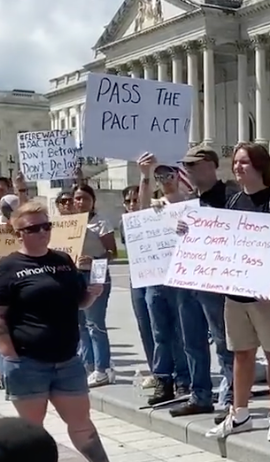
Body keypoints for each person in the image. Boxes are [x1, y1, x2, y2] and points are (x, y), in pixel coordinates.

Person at [0, 201, 139, 462]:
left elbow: (77, 302)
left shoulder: (62, 260)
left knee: (81, 422)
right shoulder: (6, 268)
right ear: (17, 232)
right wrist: (9, 356)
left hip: (67, 359)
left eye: (46, 226)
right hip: (27, 361)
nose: (43, 232)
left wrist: (91, 295)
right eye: (34, 228)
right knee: (32, 428)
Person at [199, 142, 270, 442]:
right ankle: (239, 413)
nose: (238, 167)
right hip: (236, 294)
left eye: (244, 162)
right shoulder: (231, 203)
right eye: (235, 163)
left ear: (260, 166)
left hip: (269, 295)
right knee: (241, 354)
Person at [135, 153, 211, 414]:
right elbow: (139, 215)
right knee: (159, 331)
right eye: (160, 176)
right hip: (157, 275)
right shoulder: (155, 205)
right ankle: (163, 378)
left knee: (185, 332)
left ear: (179, 177)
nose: (165, 180)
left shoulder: (191, 204)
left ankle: (184, 379)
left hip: (182, 276)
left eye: (169, 175)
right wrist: (145, 175)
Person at [179, 145, 237, 417]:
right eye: (187, 165)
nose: (189, 170)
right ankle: (200, 394)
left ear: (212, 165)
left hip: (217, 283)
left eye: (195, 164)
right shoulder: (188, 201)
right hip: (190, 279)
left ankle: (230, 397)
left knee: (223, 341)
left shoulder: (230, 196)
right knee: (192, 341)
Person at [72, 184, 117, 388]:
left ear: (93, 201)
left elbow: (112, 253)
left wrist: (94, 259)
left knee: (95, 324)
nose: (80, 202)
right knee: (80, 323)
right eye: (77, 198)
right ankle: (87, 364)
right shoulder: (70, 224)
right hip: (75, 276)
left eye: (85, 198)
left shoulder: (101, 223)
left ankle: (102, 368)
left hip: (95, 275)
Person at [119, 185, 157, 389]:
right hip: (137, 279)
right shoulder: (124, 223)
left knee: (160, 327)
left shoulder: (156, 217)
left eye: (136, 199)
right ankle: (154, 370)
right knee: (144, 326)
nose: (133, 204)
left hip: (156, 278)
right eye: (129, 201)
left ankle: (171, 371)